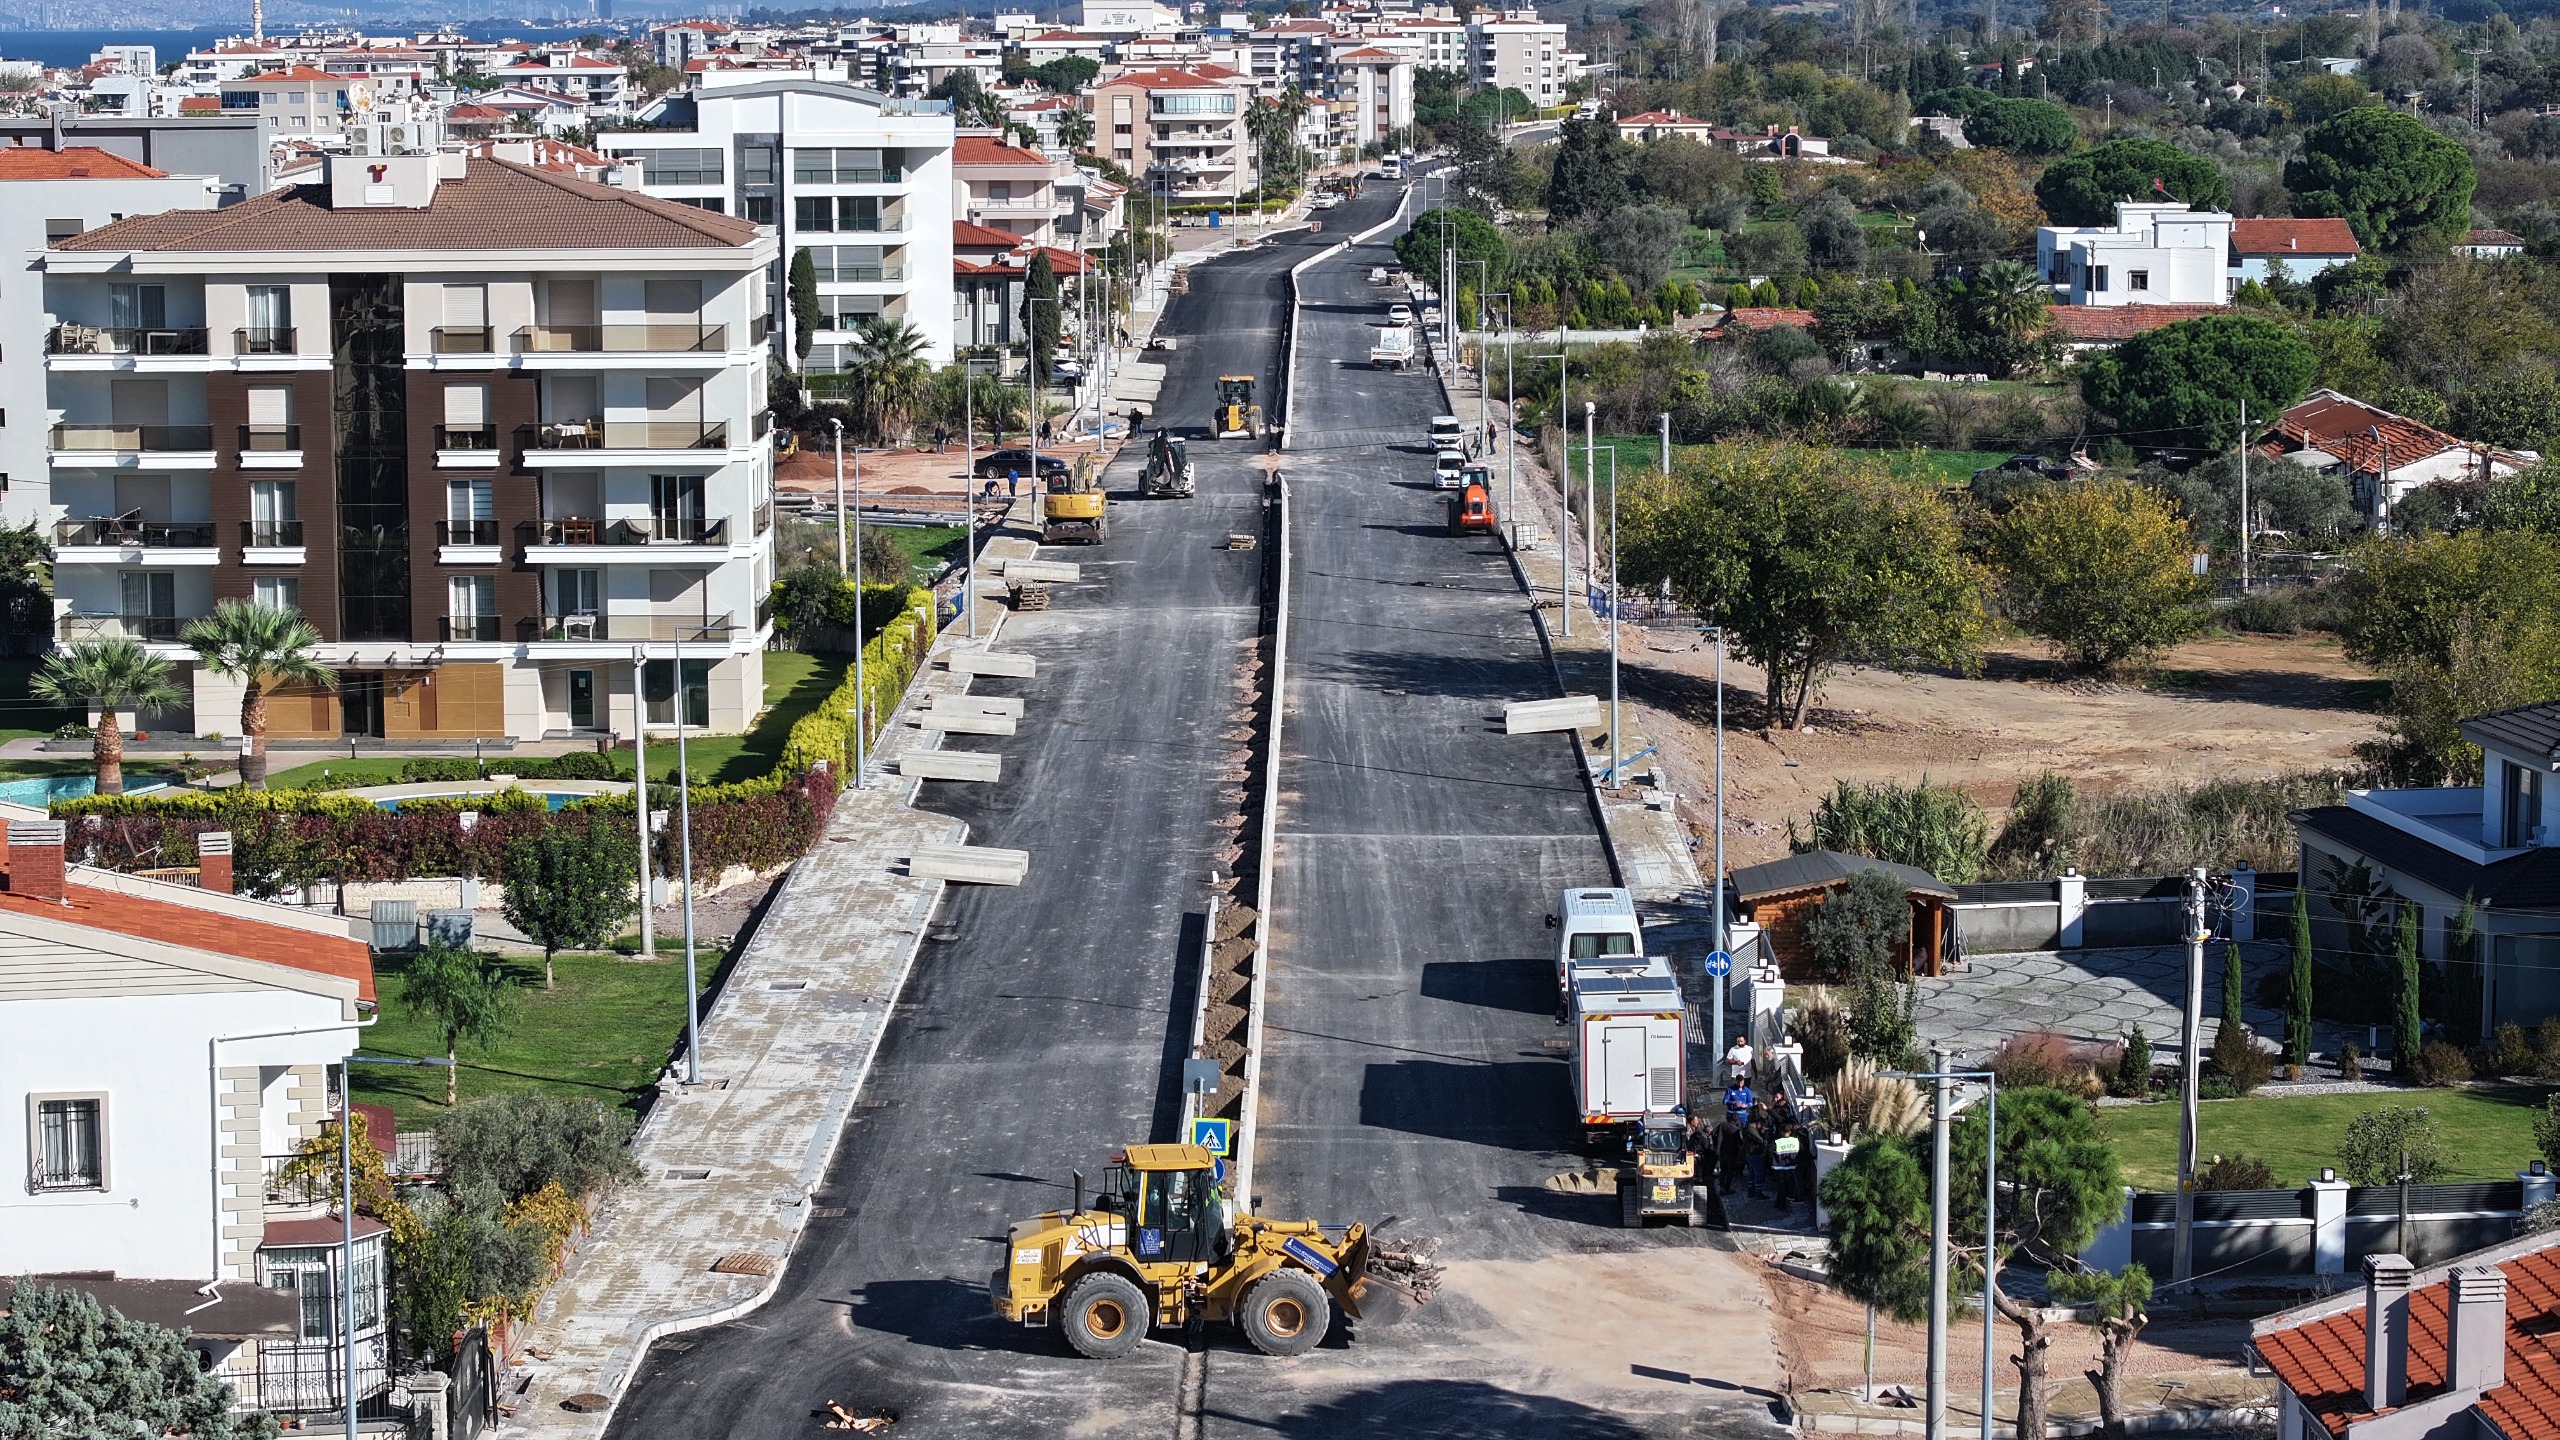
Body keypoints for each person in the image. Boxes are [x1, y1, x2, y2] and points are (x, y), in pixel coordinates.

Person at [1767, 1120, 1804, 1213]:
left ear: (1781, 1132)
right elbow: (1801, 1150)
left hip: (1779, 1167)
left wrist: (1775, 1158)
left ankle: (1782, 1205)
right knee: (1787, 1186)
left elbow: (1769, 1151)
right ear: (1790, 1132)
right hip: (1791, 1166)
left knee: (1781, 1186)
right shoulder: (1796, 1141)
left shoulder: (1777, 1142)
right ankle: (1778, 1202)